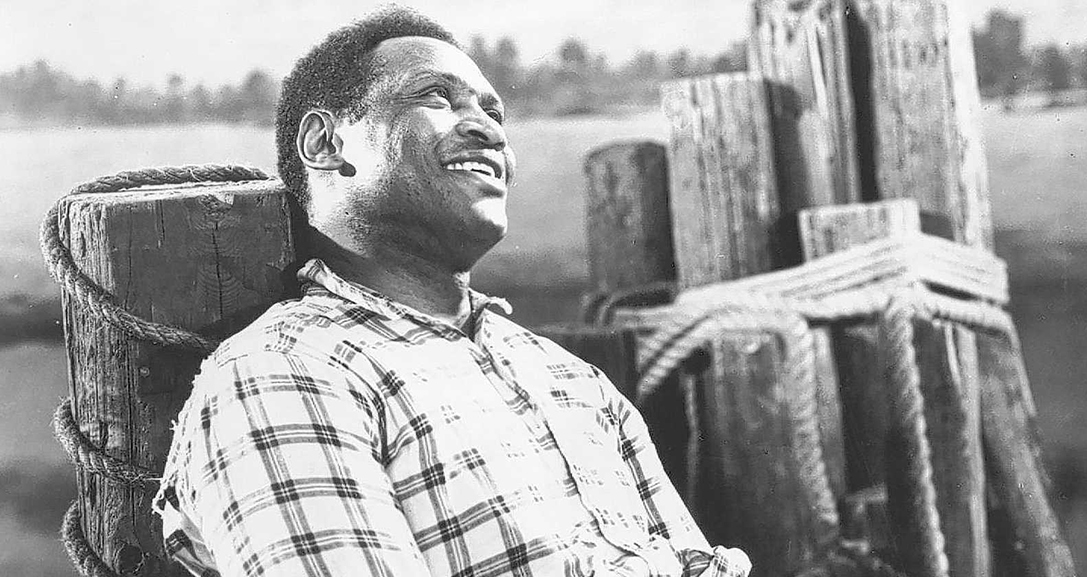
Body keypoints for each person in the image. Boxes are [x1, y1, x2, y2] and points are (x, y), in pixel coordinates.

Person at [152, 7, 750, 577]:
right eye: (437, 97)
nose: (488, 129)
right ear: (326, 145)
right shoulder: (285, 371)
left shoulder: (570, 380)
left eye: (495, 113)